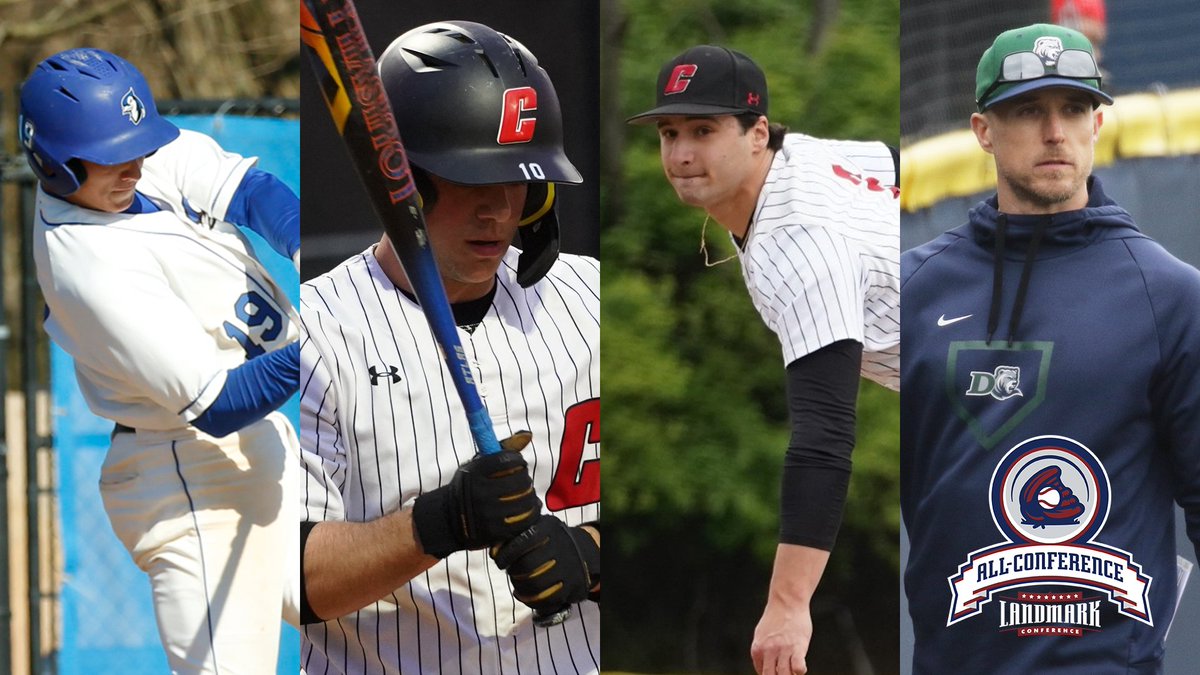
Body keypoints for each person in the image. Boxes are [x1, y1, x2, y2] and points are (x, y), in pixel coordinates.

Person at [298, 20, 600, 674]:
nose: (498, 210)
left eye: (520, 180)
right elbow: (291, 582)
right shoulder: (314, 330)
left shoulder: (593, 299)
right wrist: (439, 523)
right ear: (401, 180)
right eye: (470, 180)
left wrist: (592, 552)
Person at [901, 23, 1200, 673]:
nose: (1055, 131)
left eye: (1073, 108)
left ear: (1098, 123)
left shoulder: (1171, 295)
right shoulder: (914, 290)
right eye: (1029, 110)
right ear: (983, 131)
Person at [19, 48, 301, 672]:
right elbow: (219, 405)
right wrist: (322, 347)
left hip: (266, 450)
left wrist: (307, 245)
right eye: (111, 158)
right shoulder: (83, 266)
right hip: (190, 478)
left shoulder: (124, 151)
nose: (134, 166)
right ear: (56, 163)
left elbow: (248, 190)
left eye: (136, 148)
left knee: (373, 609)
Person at [628, 45, 900, 675]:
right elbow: (890, 158)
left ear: (756, 134)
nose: (682, 153)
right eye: (670, 132)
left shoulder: (797, 243)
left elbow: (824, 439)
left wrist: (787, 605)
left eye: (703, 129)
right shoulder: (799, 156)